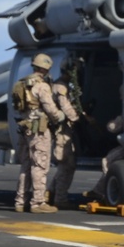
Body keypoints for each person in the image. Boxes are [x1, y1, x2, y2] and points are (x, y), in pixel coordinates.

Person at [12, 53, 65, 213]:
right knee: (40, 165)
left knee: (26, 166)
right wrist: (60, 116)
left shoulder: (22, 83)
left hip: (25, 128)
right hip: (39, 131)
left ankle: (20, 201)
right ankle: (38, 203)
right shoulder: (42, 86)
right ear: (46, 69)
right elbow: (50, 108)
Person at [47, 58, 83, 209]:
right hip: (62, 131)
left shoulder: (63, 86)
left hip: (64, 130)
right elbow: (66, 108)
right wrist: (79, 118)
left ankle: (51, 193)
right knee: (67, 165)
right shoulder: (61, 87)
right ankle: (60, 199)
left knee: (65, 165)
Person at [85, 115, 124, 202]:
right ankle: (98, 190)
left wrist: (110, 122)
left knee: (106, 162)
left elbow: (112, 128)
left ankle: (100, 191)